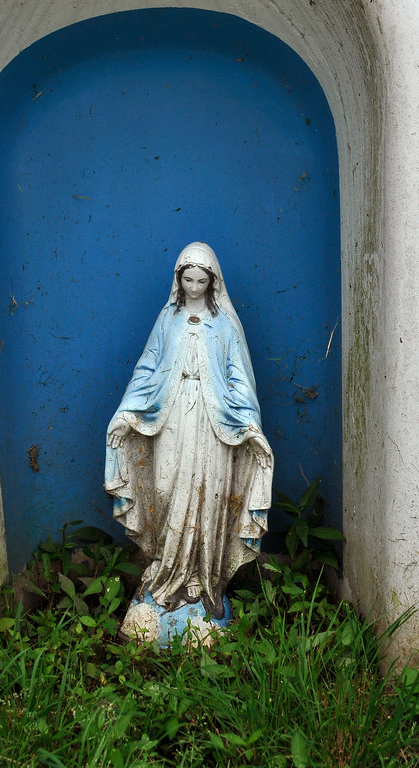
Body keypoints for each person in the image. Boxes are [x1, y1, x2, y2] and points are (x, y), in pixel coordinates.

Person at [105, 242, 273, 622]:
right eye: (188, 279)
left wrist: (250, 426)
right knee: (165, 489)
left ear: (213, 282)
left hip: (213, 424)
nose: (194, 286)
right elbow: (147, 368)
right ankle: (165, 569)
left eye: (201, 280)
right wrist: (126, 413)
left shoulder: (225, 325)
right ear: (178, 280)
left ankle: (201, 577)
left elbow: (239, 379)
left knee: (208, 492)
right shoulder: (168, 320)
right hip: (172, 415)